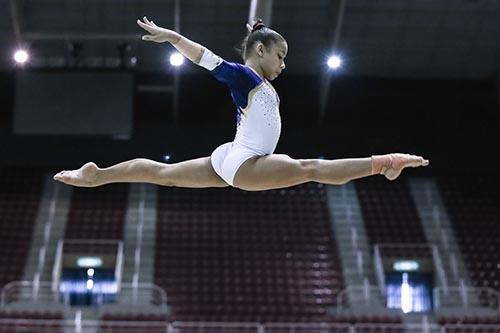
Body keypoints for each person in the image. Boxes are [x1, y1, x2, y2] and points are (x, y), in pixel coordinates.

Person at [53, 17, 429, 191]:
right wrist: (172, 37)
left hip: (231, 156)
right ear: (260, 51)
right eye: (280, 56)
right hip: (247, 162)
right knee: (312, 167)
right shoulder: (245, 76)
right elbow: (205, 58)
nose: (284, 64)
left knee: (160, 174)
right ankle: (385, 164)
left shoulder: (257, 81)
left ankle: (98, 175)